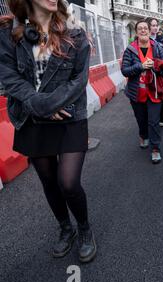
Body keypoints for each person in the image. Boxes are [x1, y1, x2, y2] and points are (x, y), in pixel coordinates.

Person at [0, 0, 96, 262]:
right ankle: (66, 229)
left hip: (69, 116)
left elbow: (79, 79)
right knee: (48, 180)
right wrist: (41, 107)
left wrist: (50, 104)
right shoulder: (8, 34)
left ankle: (85, 228)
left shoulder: (75, 33)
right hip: (32, 118)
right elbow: (10, 80)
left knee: (68, 182)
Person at [121, 20, 163, 164]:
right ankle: (143, 135)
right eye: (140, 29)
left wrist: (156, 65)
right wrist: (141, 66)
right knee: (141, 119)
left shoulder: (158, 47)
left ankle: (155, 148)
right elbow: (125, 70)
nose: (143, 30)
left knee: (154, 121)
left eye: (145, 28)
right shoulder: (130, 49)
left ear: (149, 31)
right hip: (137, 93)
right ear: (136, 33)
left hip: (155, 91)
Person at [148, 18, 163, 128]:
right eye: (152, 25)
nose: (155, 27)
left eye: (156, 25)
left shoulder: (161, 38)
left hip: (162, 71)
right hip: (150, 71)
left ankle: (162, 117)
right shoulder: (145, 39)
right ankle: (152, 117)